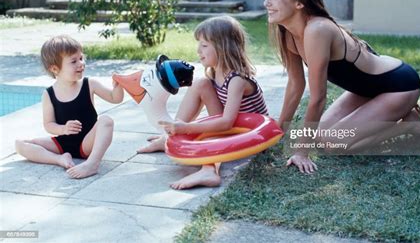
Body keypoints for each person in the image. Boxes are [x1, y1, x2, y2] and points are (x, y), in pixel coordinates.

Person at [263, 0, 420, 174]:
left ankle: (413, 126)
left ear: (299, 2)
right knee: (321, 136)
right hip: (367, 90)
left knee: (334, 144)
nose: (266, 3)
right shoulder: (287, 33)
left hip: (398, 86)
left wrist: (302, 151)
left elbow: (318, 98)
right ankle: (405, 114)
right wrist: (278, 131)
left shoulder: (317, 29)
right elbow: (295, 84)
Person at [138, 15, 268, 189]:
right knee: (200, 83)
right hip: (230, 122)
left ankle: (210, 170)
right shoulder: (215, 72)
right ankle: (170, 133)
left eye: (204, 45)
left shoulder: (237, 79)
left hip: (247, 129)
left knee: (213, 130)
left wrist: (189, 128)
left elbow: (227, 122)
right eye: (199, 44)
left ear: (223, 48)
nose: (198, 50)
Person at [15, 35, 124, 179]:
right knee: (20, 144)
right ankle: (59, 159)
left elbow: (115, 98)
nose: (81, 64)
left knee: (106, 121)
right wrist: (63, 129)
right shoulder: (49, 94)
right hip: (62, 144)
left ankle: (92, 163)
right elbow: (49, 125)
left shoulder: (89, 84)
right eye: (74, 61)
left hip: (87, 143)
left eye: (81, 58)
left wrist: (119, 86)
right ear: (55, 68)